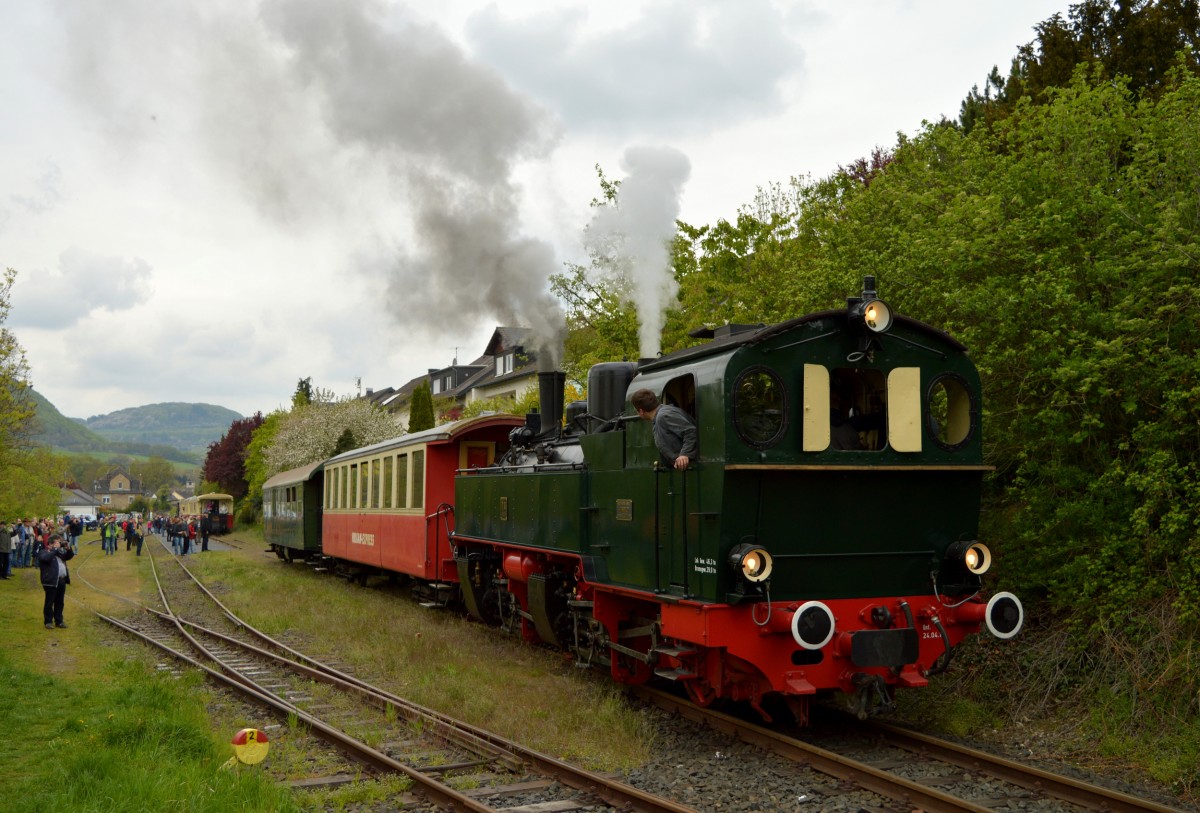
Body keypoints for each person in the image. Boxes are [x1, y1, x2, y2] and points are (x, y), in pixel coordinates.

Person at [630, 388, 698, 470]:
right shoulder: (662, 414)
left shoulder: (663, 416)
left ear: (641, 411)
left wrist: (685, 454)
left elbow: (690, 431)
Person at [37, 533, 74, 629]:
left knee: (60, 602)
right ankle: (48, 621)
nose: (59, 544)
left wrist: (68, 548)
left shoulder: (59, 553)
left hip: (61, 580)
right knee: (49, 602)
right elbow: (46, 558)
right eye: (57, 542)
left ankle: (59, 621)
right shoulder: (43, 552)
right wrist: (55, 549)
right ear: (50, 544)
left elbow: (69, 556)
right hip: (50, 581)